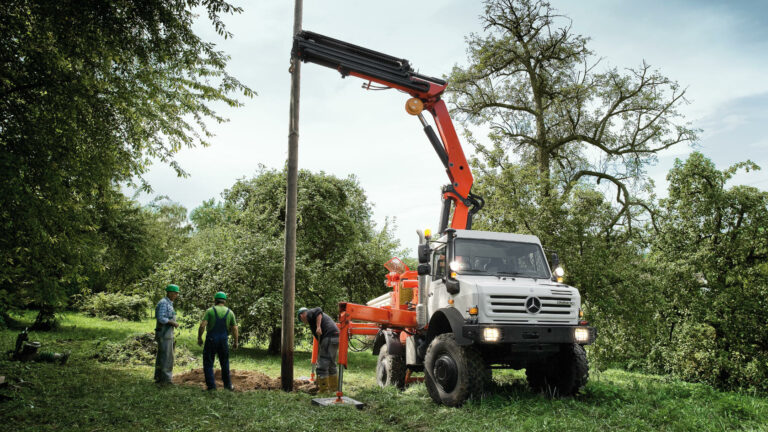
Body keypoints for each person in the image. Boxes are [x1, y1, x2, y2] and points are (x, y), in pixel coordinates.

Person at [198, 291, 238, 391]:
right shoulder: (230, 312)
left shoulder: (210, 311)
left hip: (211, 339)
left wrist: (199, 337)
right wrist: (235, 342)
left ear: (215, 300)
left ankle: (211, 387)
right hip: (223, 340)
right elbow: (235, 328)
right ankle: (228, 386)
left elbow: (202, 325)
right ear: (224, 301)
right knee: (224, 362)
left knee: (208, 362)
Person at [298, 306, 339, 393]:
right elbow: (321, 344)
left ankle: (323, 390)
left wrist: (318, 327)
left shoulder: (309, 314)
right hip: (335, 337)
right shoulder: (312, 319)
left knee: (322, 366)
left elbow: (319, 310)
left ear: (301, 316)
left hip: (329, 336)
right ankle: (333, 388)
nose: (304, 322)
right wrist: (319, 356)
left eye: (302, 320)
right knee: (331, 364)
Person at [155, 284, 180, 384]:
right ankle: (166, 380)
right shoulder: (164, 303)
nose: (176, 295)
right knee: (167, 356)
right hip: (164, 333)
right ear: (169, 292)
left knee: (163, 355)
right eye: (175, 293)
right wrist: (172, 322)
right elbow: (161, 318)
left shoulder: (169, 303)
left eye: (177, 293)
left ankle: (159, 377)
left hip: (167, 333)